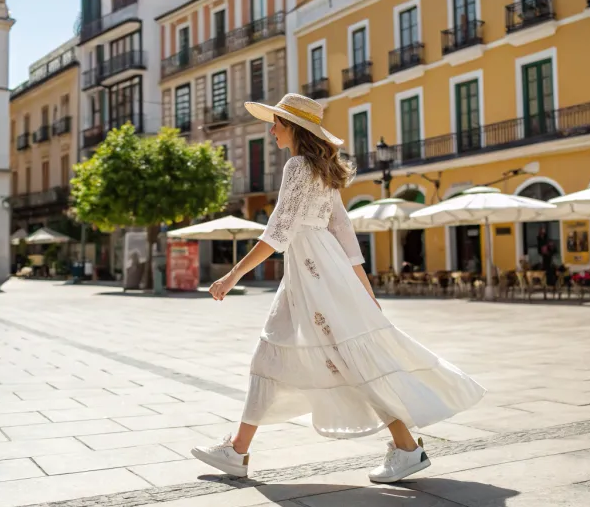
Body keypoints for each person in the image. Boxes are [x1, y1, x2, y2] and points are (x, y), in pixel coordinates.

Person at [191, 94, 485, 483]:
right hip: (316, 273)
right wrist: (363, 288)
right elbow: (344, 234)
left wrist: (232, 276)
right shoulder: (322, 171)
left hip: (314, 275)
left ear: (293, 127)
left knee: (348, 359)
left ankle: (407, 448)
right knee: (272, 357)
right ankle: (237, 450)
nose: (271, 128)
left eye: (277, 122)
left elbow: (278, 232)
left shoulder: (298, 166)